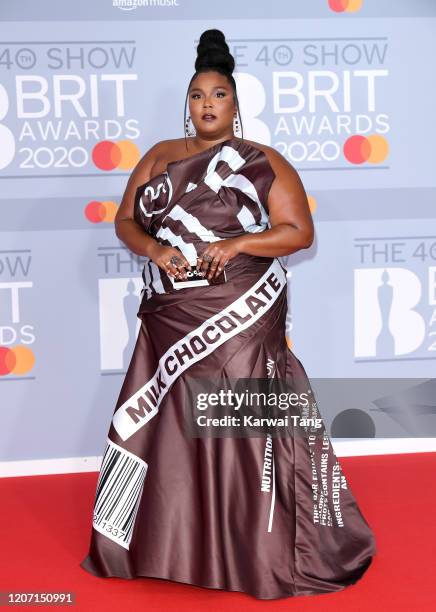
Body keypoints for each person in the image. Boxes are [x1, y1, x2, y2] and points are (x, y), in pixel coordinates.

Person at [80, 28, 377, 600]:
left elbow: (300, 232)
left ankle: (252, 549)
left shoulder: (261, 161)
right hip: (170, 315)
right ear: (186, 104)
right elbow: (125, 221)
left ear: (235, 105)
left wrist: (238, 245)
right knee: (165, 427)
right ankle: (160, 544)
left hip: (239, 312)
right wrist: (156, 250)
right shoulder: (160, 156)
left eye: (218, 95)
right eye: (197, 95)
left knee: (239, 428)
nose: (207, 104)